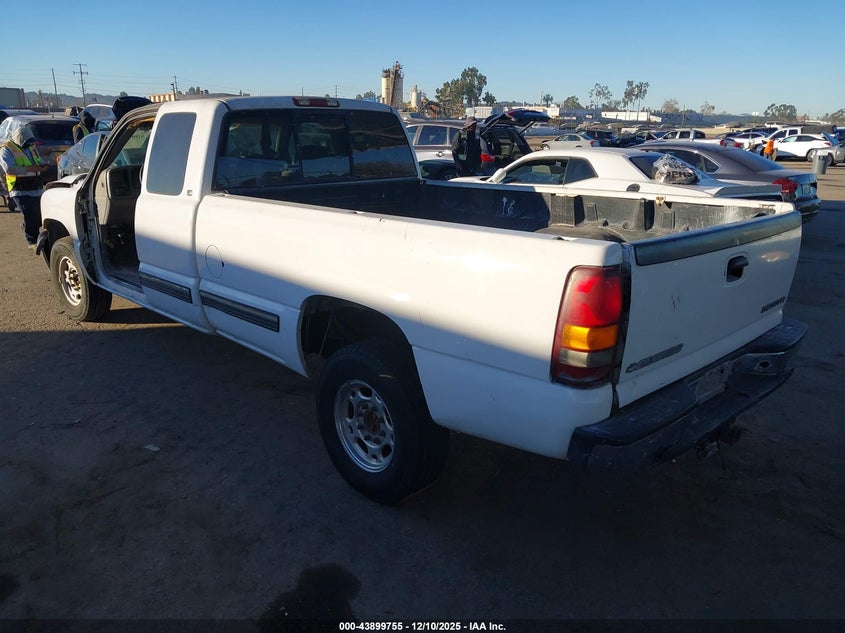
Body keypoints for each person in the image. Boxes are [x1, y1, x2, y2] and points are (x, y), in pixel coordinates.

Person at [0, 126, 47, 246]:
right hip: (19, 188)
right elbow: (9, 169)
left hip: (36, 186)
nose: (29, 144)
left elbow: (38, 160)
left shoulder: (31, 147)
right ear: (19, 139)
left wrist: (42, 165)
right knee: (30, 214)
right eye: (26, 141)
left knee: (39, 215)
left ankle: (27, 226)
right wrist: (30, 169)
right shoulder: (6, 149)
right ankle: (32, 241)